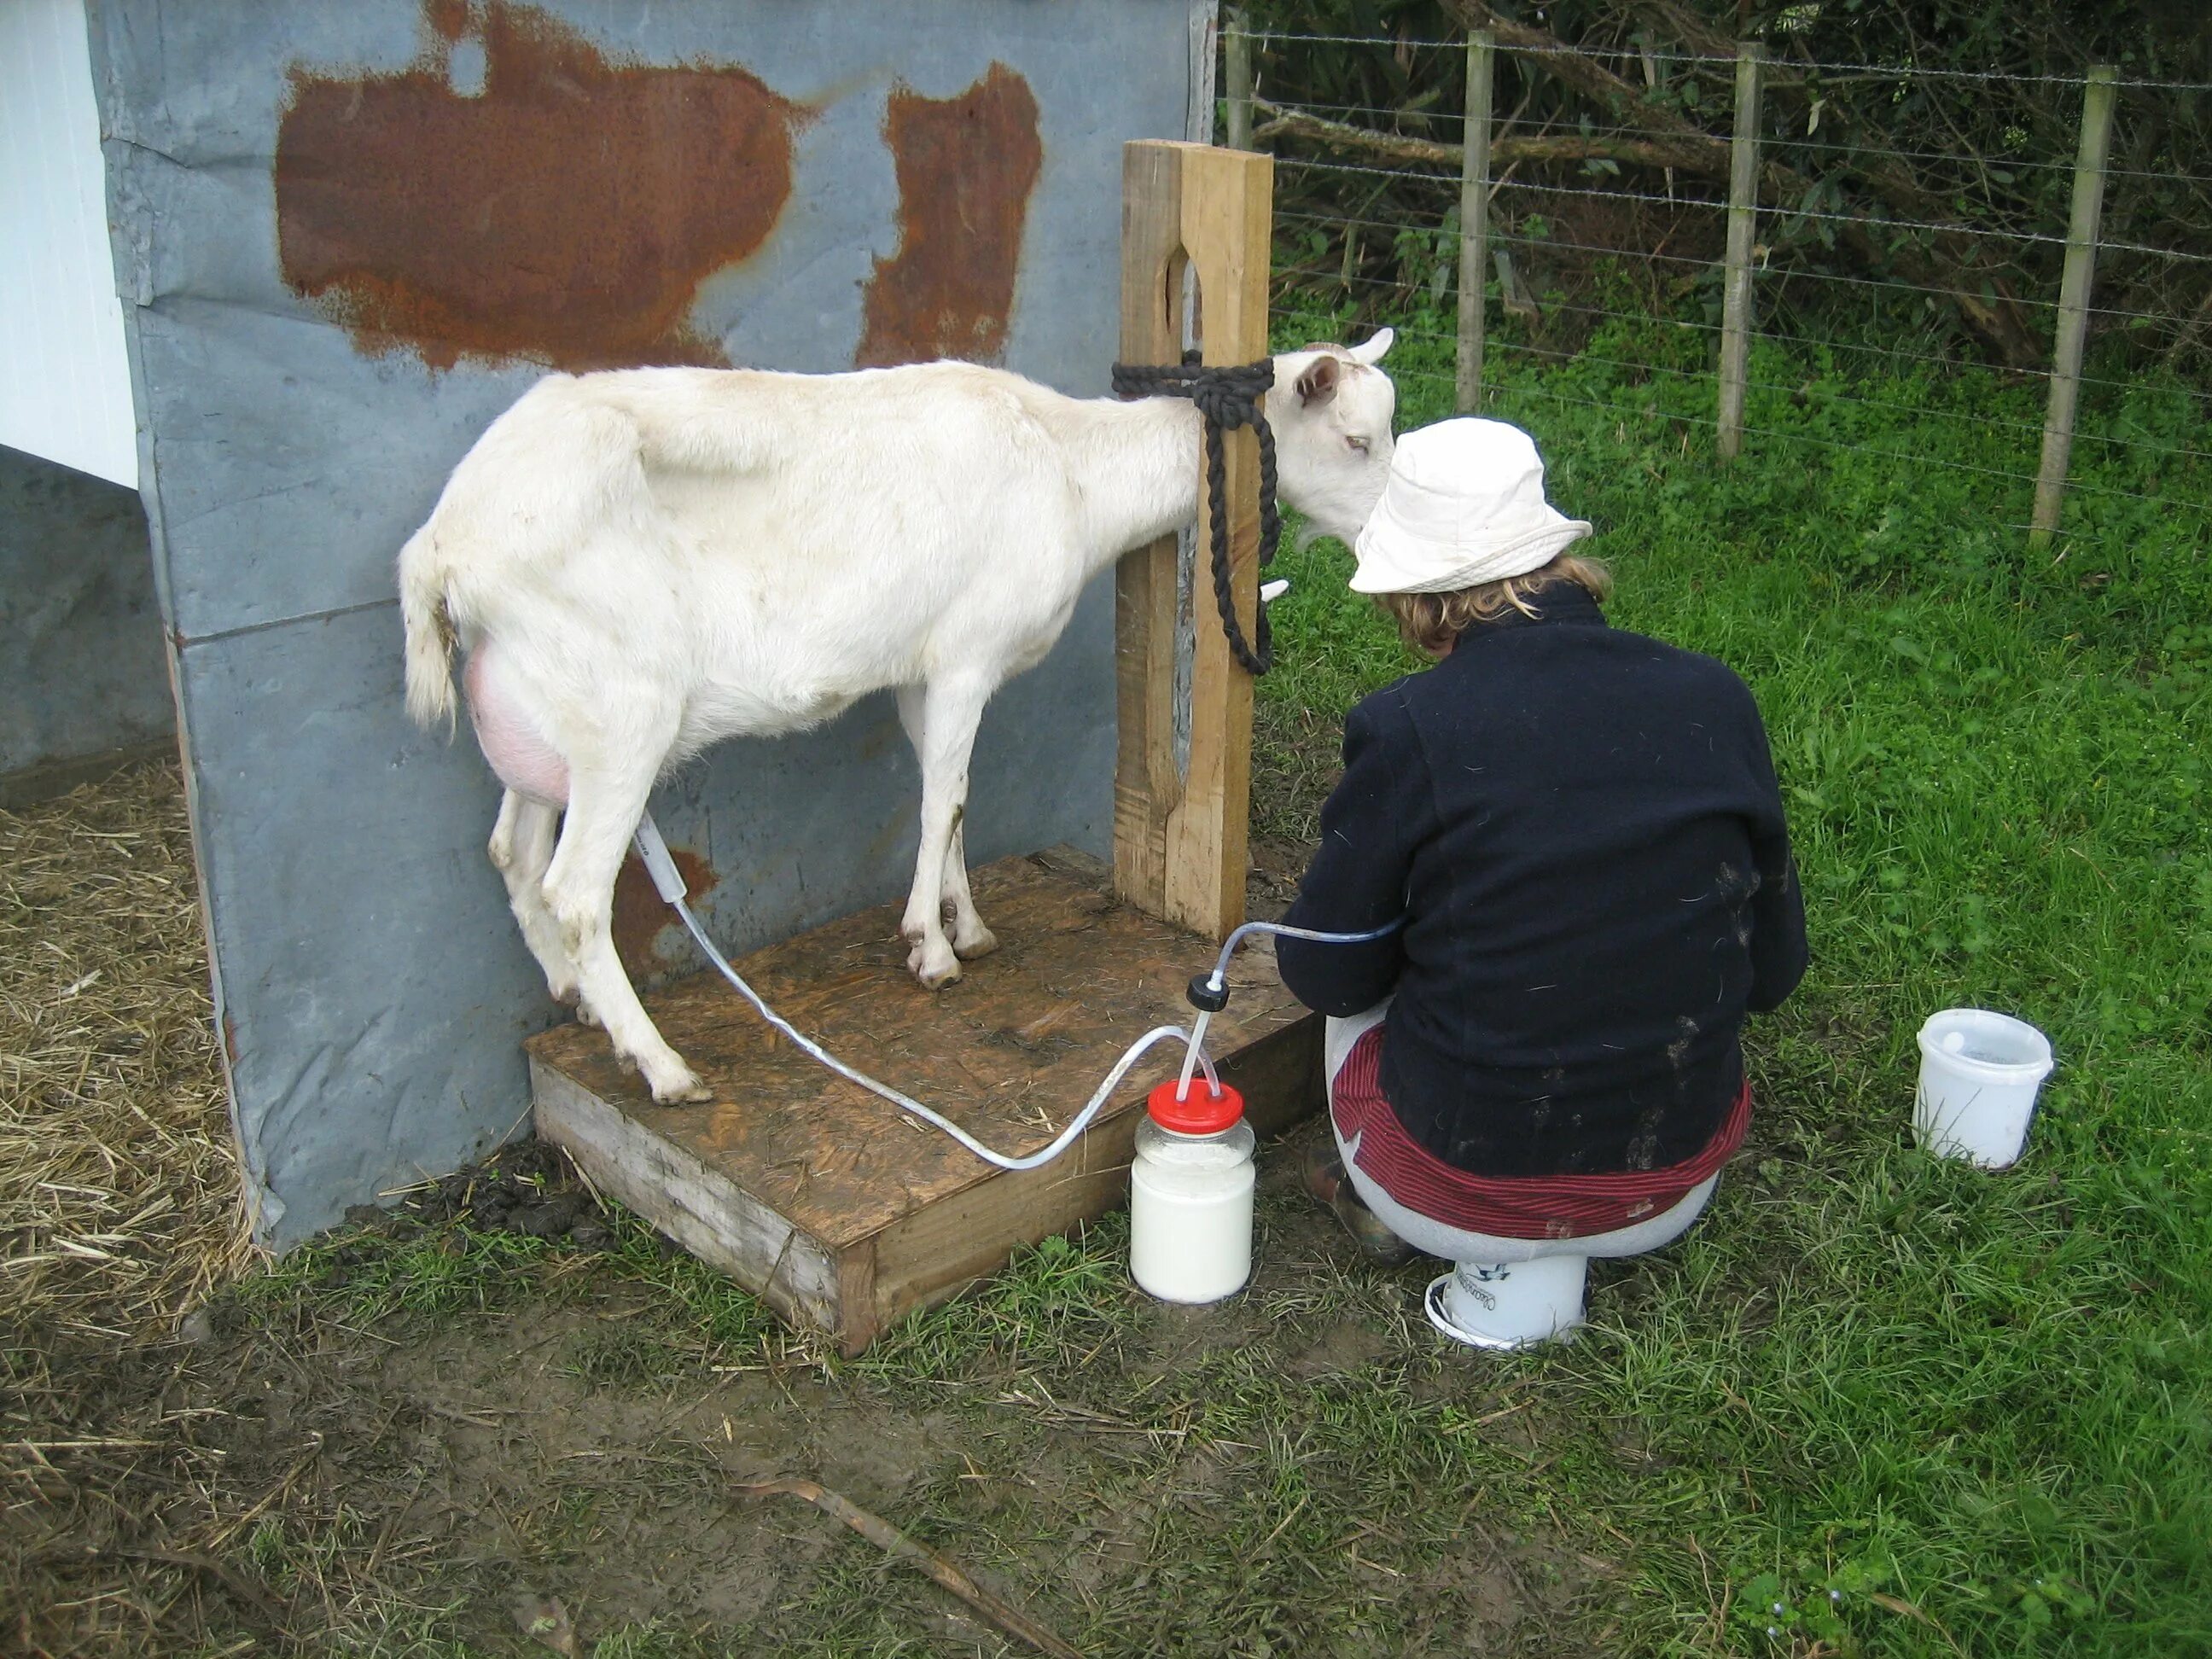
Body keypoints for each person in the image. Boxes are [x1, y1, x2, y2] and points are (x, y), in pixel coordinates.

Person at [1274, 418, 1807, 1343]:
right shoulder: (1716, 695)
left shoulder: (1409, 726)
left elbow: (1325, 975)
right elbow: (1774, 975)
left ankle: (1400, 1196)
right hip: (1673, 1181)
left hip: (1458, 1189)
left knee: (1349, 972)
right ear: (1558, 561)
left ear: (1418, 594)